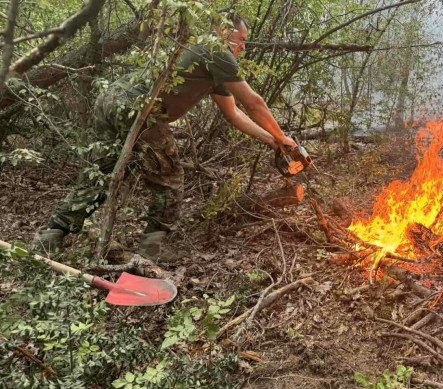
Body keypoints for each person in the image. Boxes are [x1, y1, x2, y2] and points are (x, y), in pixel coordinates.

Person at [32, 11, 296, 259]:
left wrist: (275, 141)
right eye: (241, 40)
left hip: (111, 97)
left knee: (102, 172)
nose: (243, 48)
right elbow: (254, 103)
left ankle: (52, 234)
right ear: (223, 31)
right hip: (138, 107)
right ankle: (151, 249)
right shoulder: (216, 50)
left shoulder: (206, 55)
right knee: (169, 176)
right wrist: (283, 136)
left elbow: (234, 114)